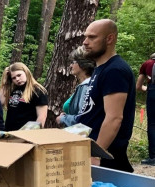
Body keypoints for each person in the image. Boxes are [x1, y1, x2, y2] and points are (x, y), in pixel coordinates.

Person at [77, 19, 136, 172]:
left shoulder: (115, 70)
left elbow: (114, 118)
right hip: (89, 149)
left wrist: (97, 154)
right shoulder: (100, 69)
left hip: (105, 158)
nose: (85, 42)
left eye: (92, 37)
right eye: (85, 37)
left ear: (109, 39)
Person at [0, 62, 49, 131]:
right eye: (13, 78)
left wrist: (32, 135)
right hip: (9, 133)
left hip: (25, 134)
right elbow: (1, 102)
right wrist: (5, 81)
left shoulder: (38, 91)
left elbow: (42, 117)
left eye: (19, 75)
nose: (17, 79)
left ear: (26, 72)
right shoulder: (13, 89)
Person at [56, 47, 95, 128]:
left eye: (73, 62)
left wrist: (63, 118)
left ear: (83, 64)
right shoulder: (86, 84)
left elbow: (84, 118)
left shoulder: (86, 86)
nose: (70, 65)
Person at [136, 53, 155, 166]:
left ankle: (153, 157)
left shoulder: (147, 64)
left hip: (153, 92)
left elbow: (138, 86)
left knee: (153, 124)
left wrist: (147, 89)